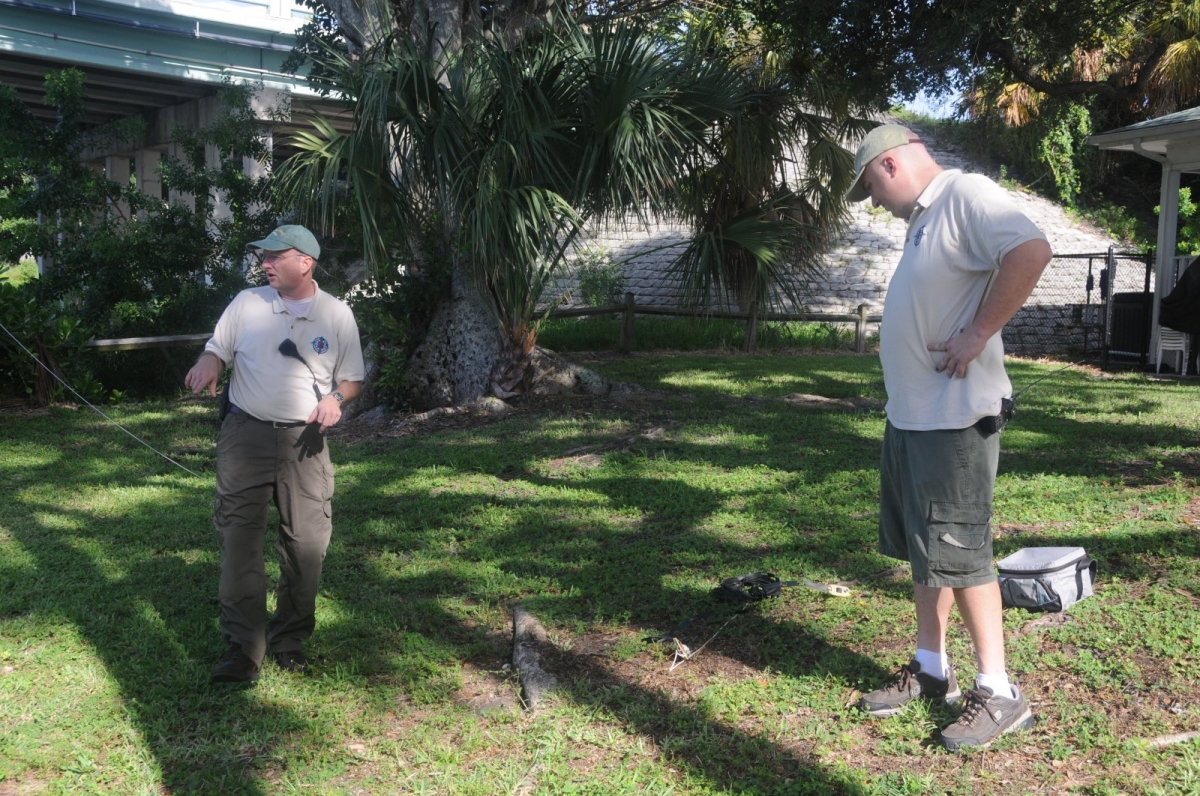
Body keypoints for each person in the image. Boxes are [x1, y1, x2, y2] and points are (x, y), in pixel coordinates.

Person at [844, 125, 1053, 751]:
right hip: (913, 418)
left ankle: (1000, 691)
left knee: (963, 554)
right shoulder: (924, 220)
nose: (874, 201)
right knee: (927, 550)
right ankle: (932, 667)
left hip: (954, 419)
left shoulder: (964, 194)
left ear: (890, 164)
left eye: (870, 187)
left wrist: (977, 334)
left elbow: (1031, 251)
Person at [185, 225, 365, 683]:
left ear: (305, 262)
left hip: (306, 440)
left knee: (307, 544)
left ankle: (290, 641)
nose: (264, 263)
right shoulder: (247, 303)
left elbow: (352, 379)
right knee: (239, 541)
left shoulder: (337, 314)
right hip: (245, 434)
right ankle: (243, 650)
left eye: (274, 256)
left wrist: (336, 400)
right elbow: (217, 349)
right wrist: (208, 362)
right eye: (262, 256)